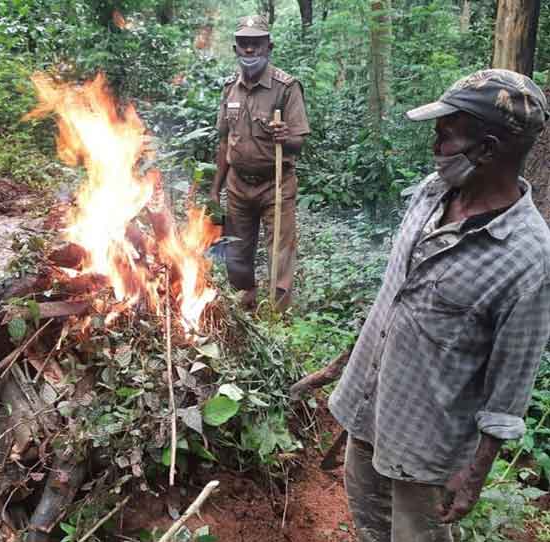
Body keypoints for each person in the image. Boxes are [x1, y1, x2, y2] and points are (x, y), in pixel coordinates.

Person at [329, 69, 550, 541]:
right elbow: (397, 298)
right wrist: (351, 364)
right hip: (369, 406)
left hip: (426, 444)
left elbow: (511, 385)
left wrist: (474, 473)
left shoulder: (528, 257)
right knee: (368, 521)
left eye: (445, 135)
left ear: (488, 149)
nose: (434, 145)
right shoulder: (433, 192)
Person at [210, 15, 310, 311]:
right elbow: (224, 141)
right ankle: (246, 307)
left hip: (275, 185)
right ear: (235, 49)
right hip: (238, 186)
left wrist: (285, 136)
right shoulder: (230, 88)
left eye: (256, 44)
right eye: (244, 44)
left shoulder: (286, 88)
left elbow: (299, 142)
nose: (250, 50)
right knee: (237, 253)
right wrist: (216, 190)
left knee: (280, 254)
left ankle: (279, 316)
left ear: (269, 46)